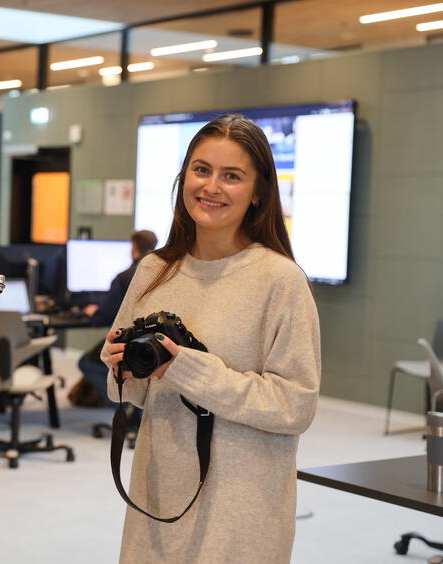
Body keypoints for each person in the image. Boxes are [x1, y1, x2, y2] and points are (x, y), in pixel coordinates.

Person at [102, 114, 320, 563]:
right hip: (159, 494)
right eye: (201, 170)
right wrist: (122, 364)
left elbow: (294, 405)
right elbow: (139, 391)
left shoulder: (280, 280)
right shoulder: (154, 270)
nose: (211, 187)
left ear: (258, 192)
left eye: (232, 176)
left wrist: (188, 369)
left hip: (241, 505)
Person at [76, 230, 157, 405]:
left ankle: (122, 403)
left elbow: (103, 317)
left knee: (86, 361)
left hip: (128, 341)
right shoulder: (159, 271)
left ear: (134, 247)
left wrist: (93, 312)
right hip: (154, 343)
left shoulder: (125, 277)